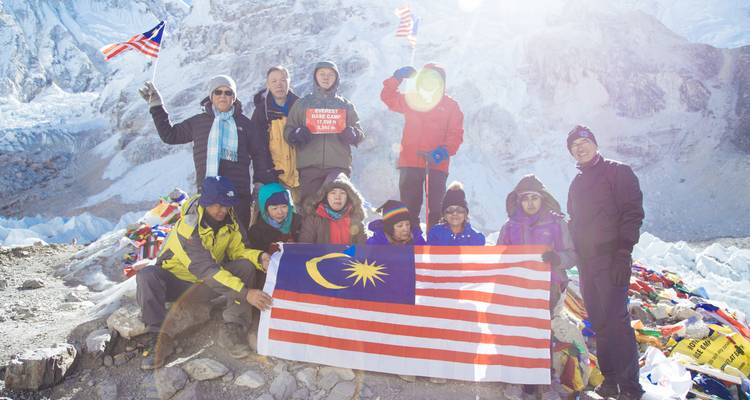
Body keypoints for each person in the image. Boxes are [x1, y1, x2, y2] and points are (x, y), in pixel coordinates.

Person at [135, 177, 273, 369]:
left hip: (205, 285)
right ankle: (160, 338)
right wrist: (246, 293)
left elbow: (239, 251)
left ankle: (234, 328)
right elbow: (206, 269)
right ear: (205, 201)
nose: (222, 210)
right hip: (178, 283)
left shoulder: (230, 219)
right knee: (147, 276)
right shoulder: (188, 227)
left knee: (246, 266)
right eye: (217, 204)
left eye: (225, 205)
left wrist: (259, 258)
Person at [139, 75, 278, 233]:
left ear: (234, 97)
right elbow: (170, 135)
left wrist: (259, 184)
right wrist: (156, 105)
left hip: (238, 195)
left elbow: (260, 156)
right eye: (218, 92)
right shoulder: (198, 122)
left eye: (228, 92)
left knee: (240, 239)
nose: (223, 96)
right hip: (208, 194)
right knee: (210, 239)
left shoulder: (245, 125)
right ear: (211, 96)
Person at [565, 125, 645, 400]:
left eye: (584, 141)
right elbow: (575, 222)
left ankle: (631, 386)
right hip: (587, 262)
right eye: (574, 145)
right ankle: (610, 380)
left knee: (616, 320)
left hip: (612, 257)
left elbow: (632, 212)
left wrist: (624, 251)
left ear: (595, 144)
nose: (580, 147)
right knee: (599, 320)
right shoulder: (576, 184)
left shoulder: (618, 172)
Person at [498, 174, 577, 400]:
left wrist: (556, 258)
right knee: (519, 331)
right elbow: (499, 257)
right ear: (518, 201)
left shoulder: (556, 223)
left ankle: (544, 381)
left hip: (549, 286)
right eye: (525, 199)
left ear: (543, 198)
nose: (530, 203)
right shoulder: (510, 226)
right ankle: (519, 379)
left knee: (543, 332)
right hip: (518, 288)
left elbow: (572, 255)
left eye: (534, 197)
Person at [380, 63, 464, 230]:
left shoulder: (450, 105)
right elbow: (387, 97)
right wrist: (397, 78)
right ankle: (412, 243)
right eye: (426, 78)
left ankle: (436, 244)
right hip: (410, 162)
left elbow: (456, 134)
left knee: (437, 208)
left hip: (437, 164)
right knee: (409, 208)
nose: (430, 82)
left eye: (435, 79)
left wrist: (444, 151)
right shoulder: (411, 99)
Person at [284, 61, 366, 205]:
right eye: (322, 74)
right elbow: (288, 130)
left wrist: (351, 134)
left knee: (337, 208)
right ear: (315, 77)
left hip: (337, 167)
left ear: (336, 78)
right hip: (310, 168)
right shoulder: (302, 104)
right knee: (309, 208)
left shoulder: (345, 105)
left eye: (330, 74)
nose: (326, 78)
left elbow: (359, 133)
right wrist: (296, 134)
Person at [250, 66, 300, 195]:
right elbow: (257, 148)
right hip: (274, 178)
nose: (279, 85)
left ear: (289, 81)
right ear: (268, 85)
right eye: (274, 81)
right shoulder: (262, 112)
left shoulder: (301, 108)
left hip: (301, 179)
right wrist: (264, 175)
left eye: (283, 80)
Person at [299, 173, 366, 245]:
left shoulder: (355, 221)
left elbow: (363, 250)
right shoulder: (313, 220)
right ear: (325, 196)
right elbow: (304, 250)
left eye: (342, 193)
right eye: (333, 193)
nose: (337, 197)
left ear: (348, 197)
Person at [248, 182, 302, 254]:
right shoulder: (257, 232)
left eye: (284, 206)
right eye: (275, 208)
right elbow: (255, 254)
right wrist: (268, 249)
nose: (280, 212)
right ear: (265, 210)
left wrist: (296, 245)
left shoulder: (299, 222)